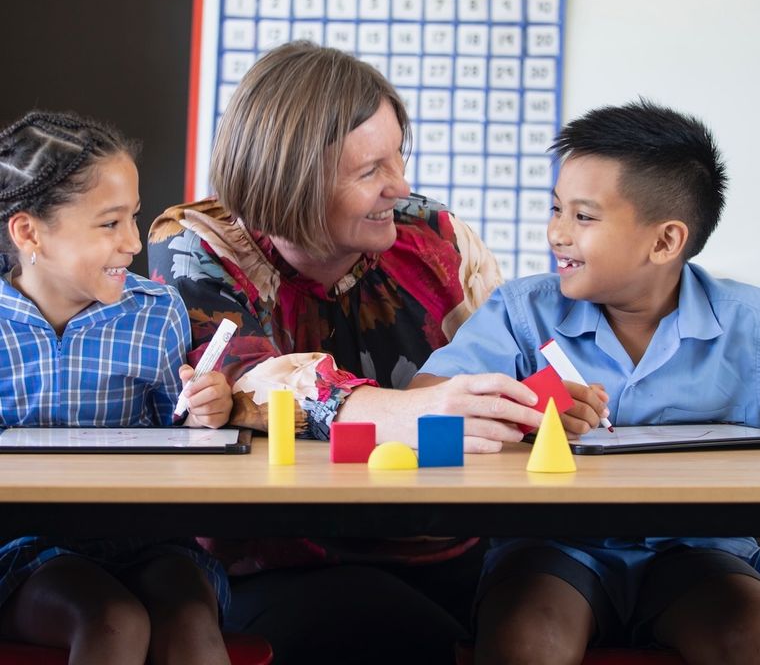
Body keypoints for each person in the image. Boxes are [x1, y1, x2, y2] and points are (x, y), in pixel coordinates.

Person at [148, 41, 543, 664]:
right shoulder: (199, 247)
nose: (401, 186)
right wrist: (413, 410)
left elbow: (511, 357)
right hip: (284, 560)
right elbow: (246, 383)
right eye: (370, 172)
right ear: (291, 184)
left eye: (398, 158)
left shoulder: (433, 237)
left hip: (450, 540)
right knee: (400, 634)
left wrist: (543, 401)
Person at [413, 99, 760, 665]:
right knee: (525, 640)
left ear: (666, 241)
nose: (557, 233)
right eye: (556, 209)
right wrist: (523, 414)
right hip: (554, 547)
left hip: (701, 552)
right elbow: (419, 407)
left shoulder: (749, 326)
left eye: (584, 216)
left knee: (745, 635)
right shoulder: (523, 313)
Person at [0, 111, 234, 665]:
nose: (133, 242)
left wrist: (204, 414)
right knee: (113, 622)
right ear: (29, 232)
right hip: (21, 548)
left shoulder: (155, 313)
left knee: (192, 621)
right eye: (109, 224)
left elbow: (173, 434)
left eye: (134, 217)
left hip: (142, 540)